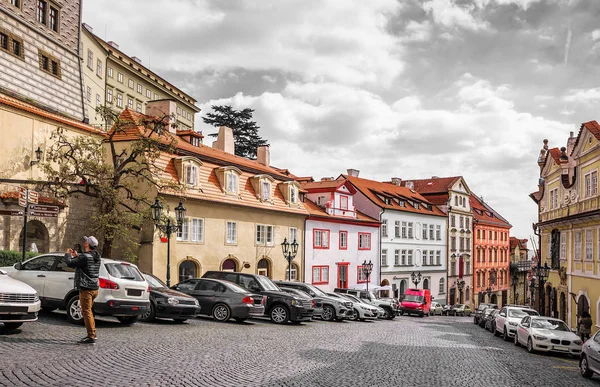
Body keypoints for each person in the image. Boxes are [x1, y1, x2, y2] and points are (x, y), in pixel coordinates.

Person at [65, 236, 101, 345]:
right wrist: (77, 256)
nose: (84, 242)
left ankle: (91, 336)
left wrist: (67, 254)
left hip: (86, 288)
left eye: (85, 241)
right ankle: (93, 333)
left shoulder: (85, 257)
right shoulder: (97, 257)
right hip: (94, 288)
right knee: (89, 311)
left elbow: (70, 263)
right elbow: (84, 261)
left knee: (86, 312)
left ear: (87, 244)